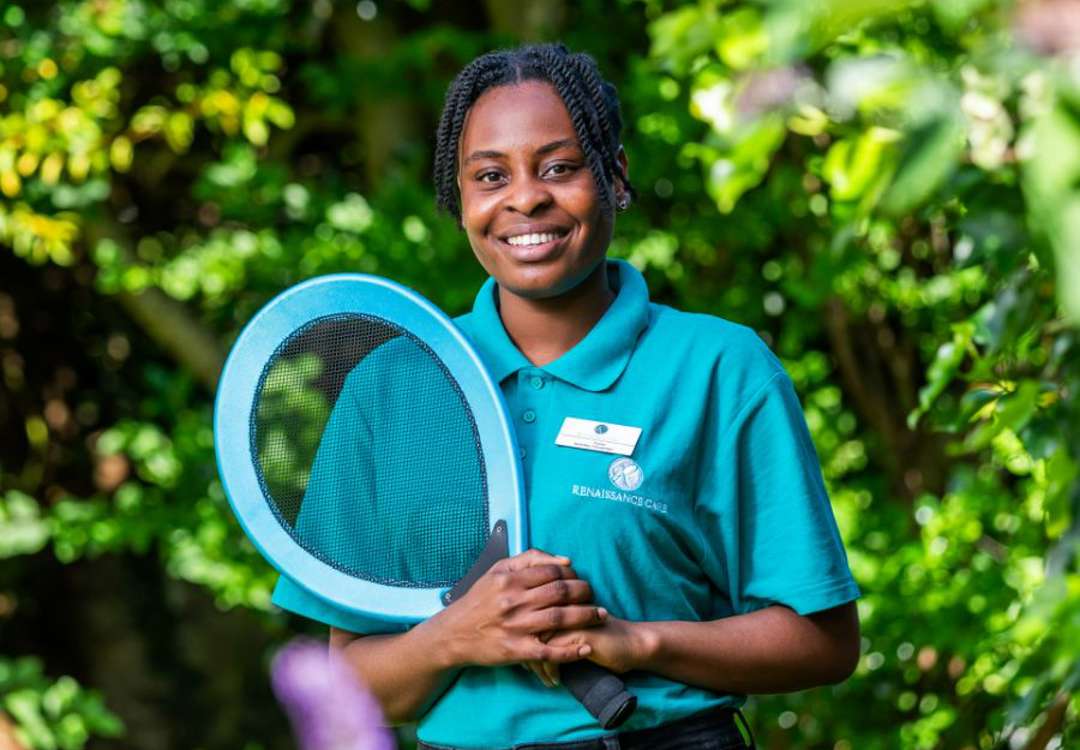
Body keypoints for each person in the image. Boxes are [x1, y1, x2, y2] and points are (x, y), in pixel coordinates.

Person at [271, 42, 862, 750]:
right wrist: (456, 636)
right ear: (458, 200)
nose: (525, 197)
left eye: (559, 166)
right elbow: (356, 684)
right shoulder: (389, 385)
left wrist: (639, 642)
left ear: (615, 177)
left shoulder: (719, 368)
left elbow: (823, 644)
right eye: (490, 175)